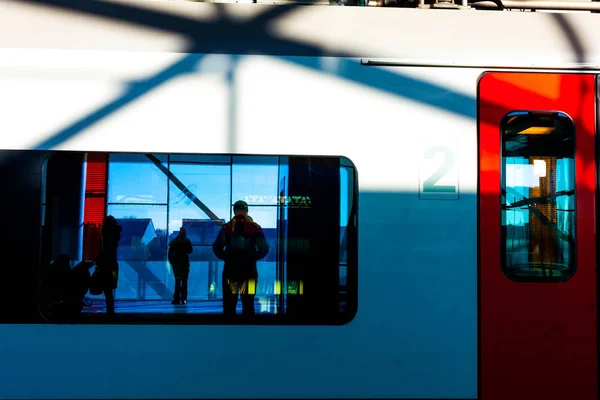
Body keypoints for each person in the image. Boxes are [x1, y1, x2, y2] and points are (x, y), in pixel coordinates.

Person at [212, 200, 269, 316]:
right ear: (247, 211)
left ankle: (229, 331)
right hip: (249, 271)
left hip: (231, 270)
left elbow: (217, 248)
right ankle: (248, 331)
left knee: (229, 304)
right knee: (248, 304)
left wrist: (228, 258)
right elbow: (264, 249)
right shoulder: (255, 228)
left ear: (234, 211)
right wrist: (252, 258)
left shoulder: (227, 228)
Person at [95, 215, 122, 316]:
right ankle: (110, 310)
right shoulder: (115, 235)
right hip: (113, 265)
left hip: (106, 265)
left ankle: (110, 310)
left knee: (107, 288)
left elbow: (104, 251)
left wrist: (98, 260)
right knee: (109, 289)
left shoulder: (106, 235)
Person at [168, 227, 193, 305]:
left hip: (176, 265)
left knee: (177, 282)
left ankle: (176, 299)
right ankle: (184, 299)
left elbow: (170, 253)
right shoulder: (187, 241)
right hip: (184, 264)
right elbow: (190, 251)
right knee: (184, 282)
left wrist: (172, 262)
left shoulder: (174, 241)